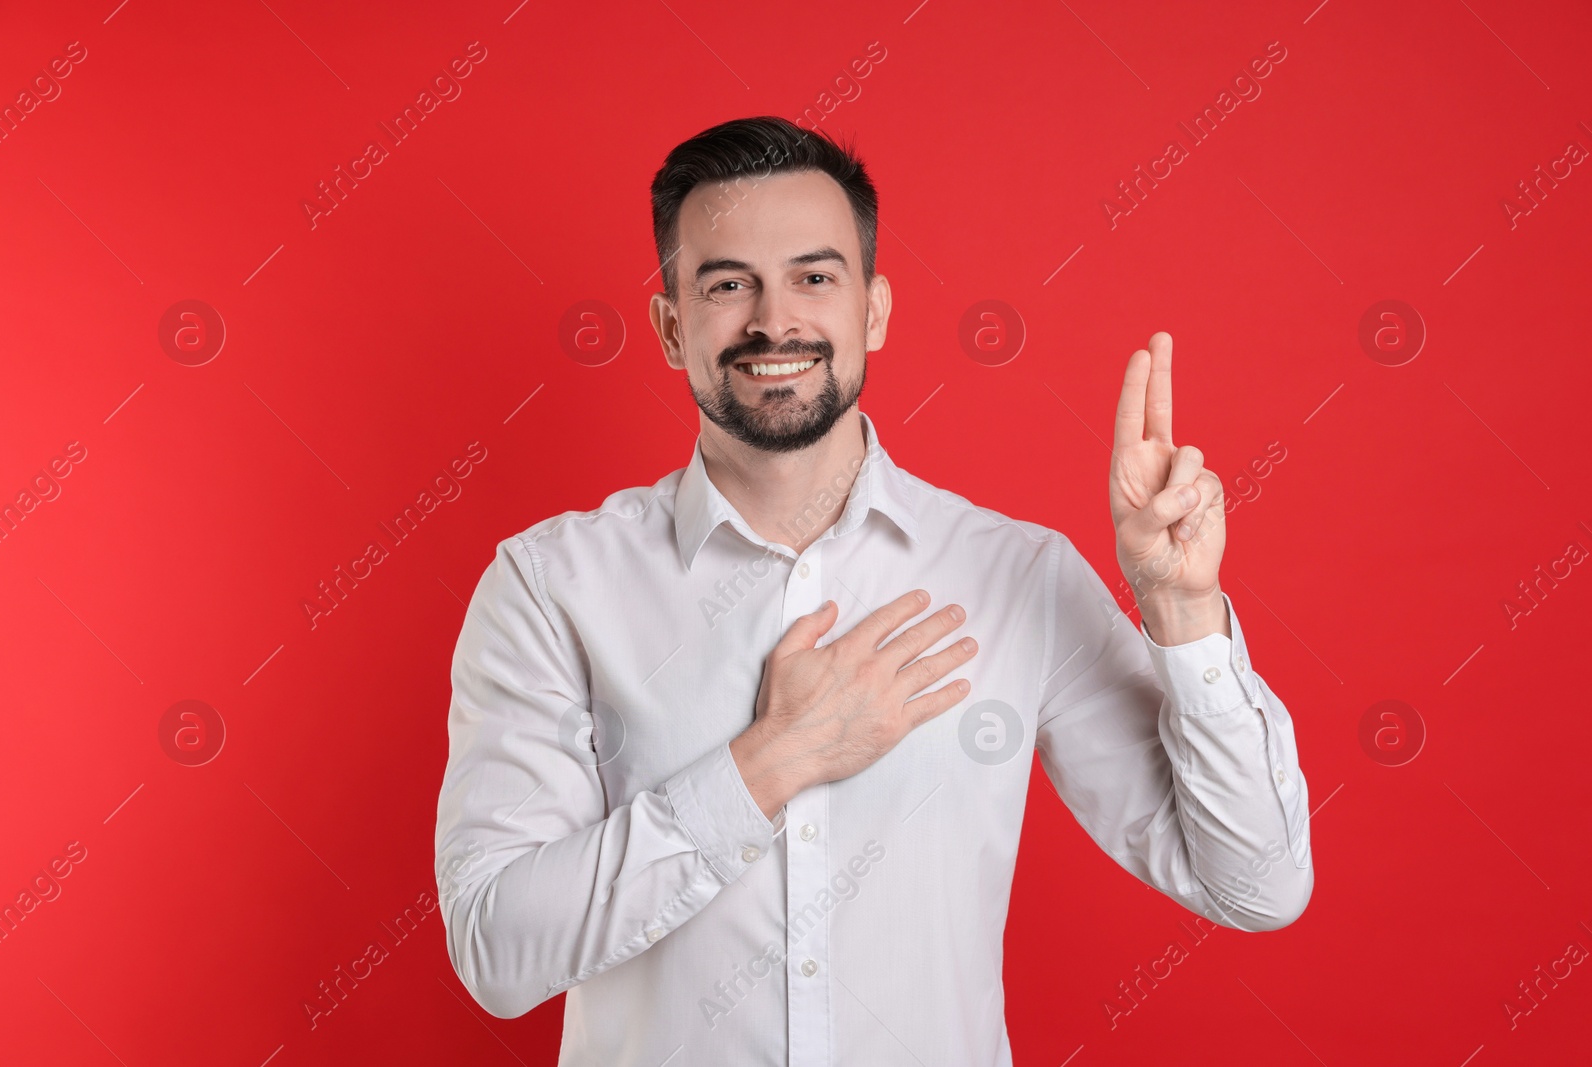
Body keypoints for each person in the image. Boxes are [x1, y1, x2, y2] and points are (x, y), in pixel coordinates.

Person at [434, 115, 1312, 1067]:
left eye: (815, 277)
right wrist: (770, 762)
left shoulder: (1016, 575)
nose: (776, 320)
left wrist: (1182, 614)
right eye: (729, 284)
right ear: (671, 325)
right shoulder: (549, 584)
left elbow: (1257, 887)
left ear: (876, 311)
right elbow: (495, 948)